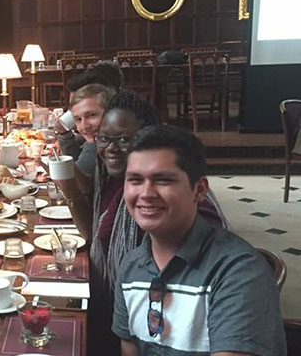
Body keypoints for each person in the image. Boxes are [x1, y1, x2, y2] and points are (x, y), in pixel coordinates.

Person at [51, 91, 227, 355]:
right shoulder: (111, 177)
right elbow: (96, 236)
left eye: (124, 139)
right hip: (117, 312)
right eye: (104, 139)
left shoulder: (190, 208)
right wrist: (71, 192)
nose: (111, 148)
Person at [113, 125, 286, 355]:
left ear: (200, 189)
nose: (146, 193)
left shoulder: (238, 272)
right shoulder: (131, 266)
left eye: (163, 180)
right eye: (135, 180)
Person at [54, 83, 116, 177]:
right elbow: (77, 163)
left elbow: (78, 184)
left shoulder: (102, 143)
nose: (84, 126)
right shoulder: (95, 140)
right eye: (78, 119)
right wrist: (64, 134)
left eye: (92, 115)